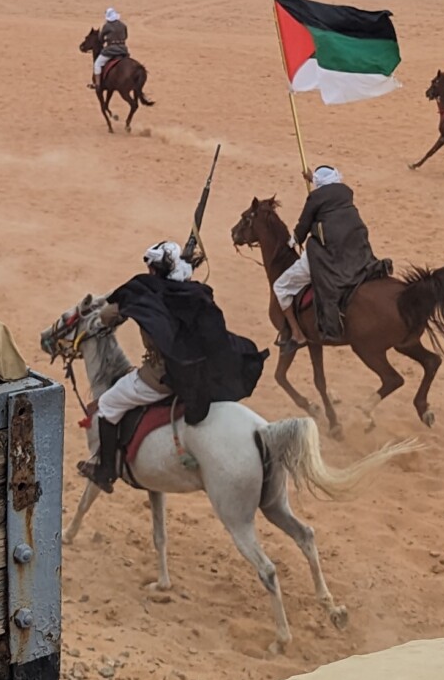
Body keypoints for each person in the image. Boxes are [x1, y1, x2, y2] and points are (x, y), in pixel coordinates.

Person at [81, 239, 266, 490]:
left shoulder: (147, 292)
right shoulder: (192, 292)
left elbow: (105, 316)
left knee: (107, 404)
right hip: (195, 372)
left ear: (154, 269)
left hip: (160, 376)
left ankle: (105, 471)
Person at [274, 165, 388, 342]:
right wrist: (313, 180)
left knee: (280, 287)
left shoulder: (315, 198)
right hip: (357, 251)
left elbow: (303, 226)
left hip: (330, 254)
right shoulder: (345, 193)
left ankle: (296, 333)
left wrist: (293, 240)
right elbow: (328, 192)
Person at [91, 7, 129, 80]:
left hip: (110, 50)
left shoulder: (107, 26)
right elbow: (126, 36)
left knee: (97, 64)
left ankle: (98, 84)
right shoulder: (123, 25)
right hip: (123, 49)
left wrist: (104, 41)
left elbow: (100, 38)